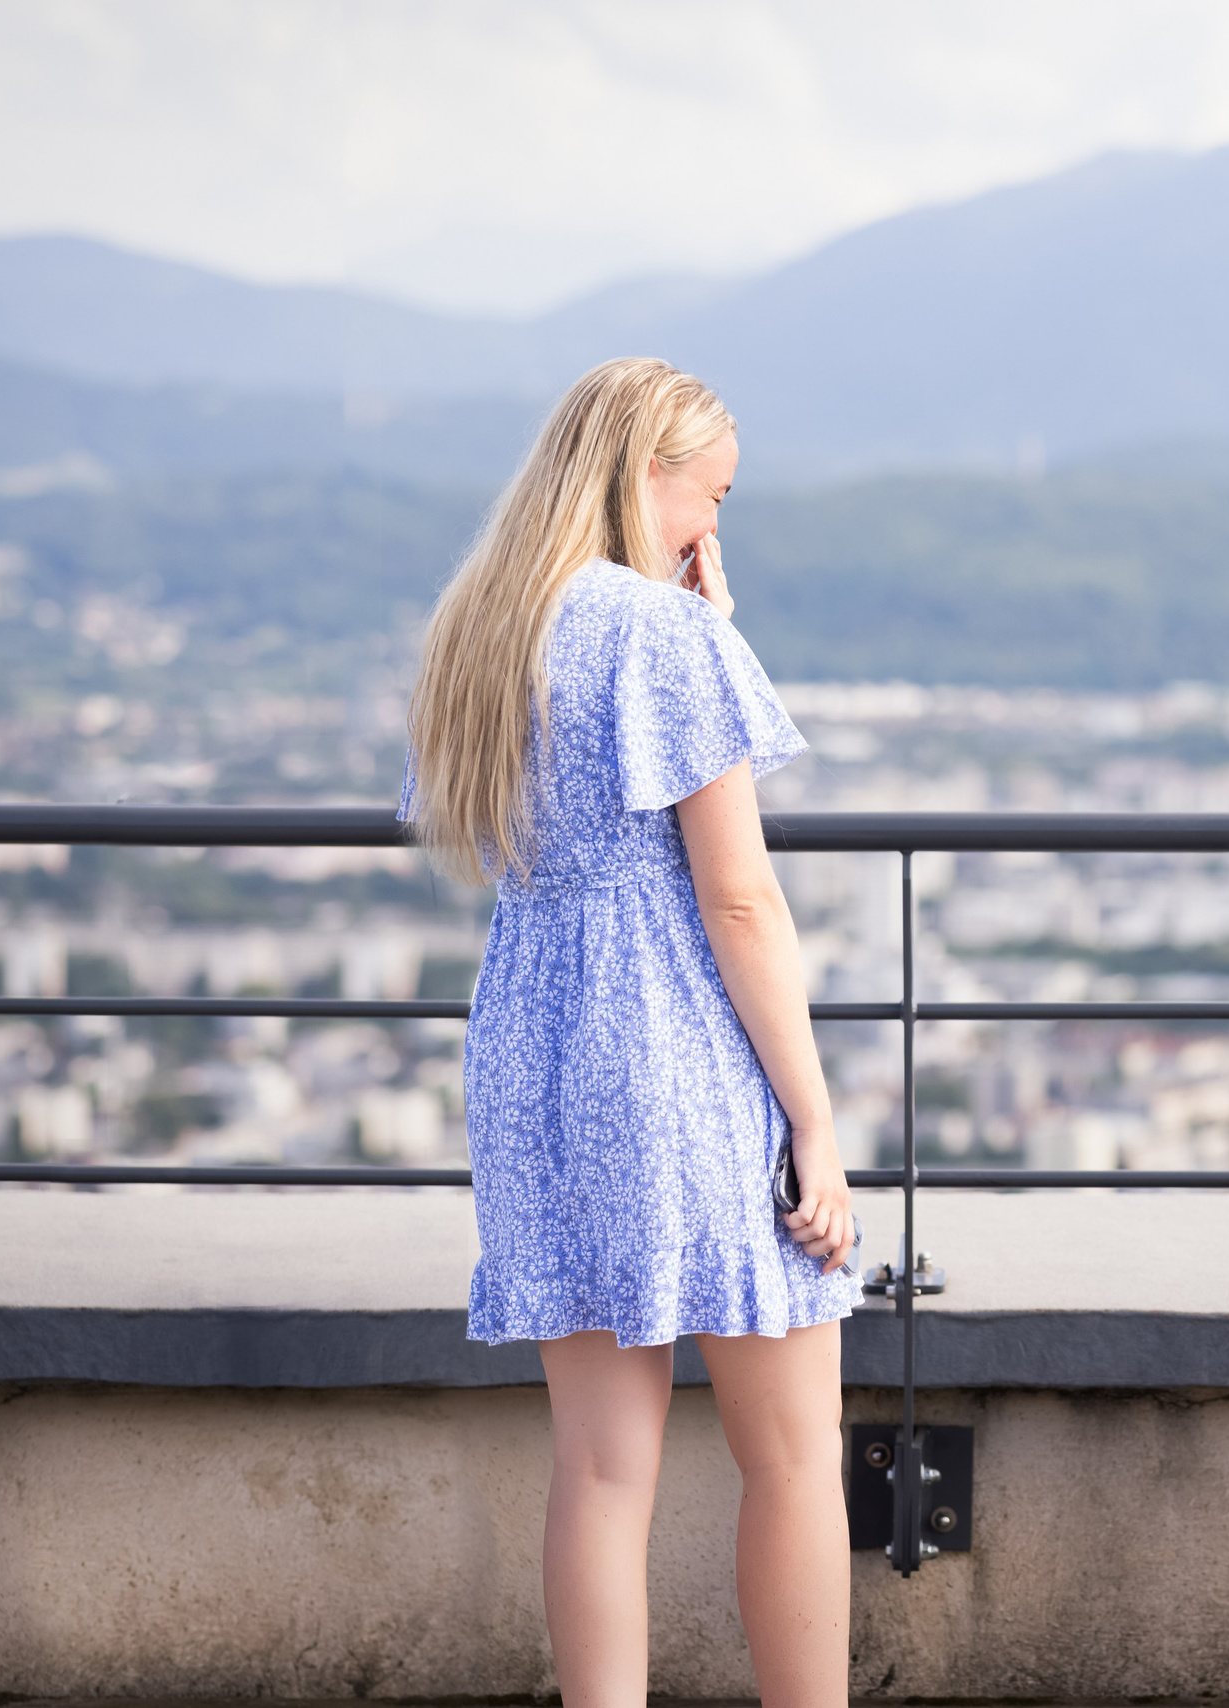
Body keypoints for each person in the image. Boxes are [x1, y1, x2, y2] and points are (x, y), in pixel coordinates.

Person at [403, 358, 860, 1708]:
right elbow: (736, 894)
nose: (712, 532)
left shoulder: (487, 622)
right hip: (669, 1040)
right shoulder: (666, 638)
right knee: (790, 1451)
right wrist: (817, 1127)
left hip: (536, 1036)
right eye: (707, 499)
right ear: (644, 475)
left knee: (600, 1465)